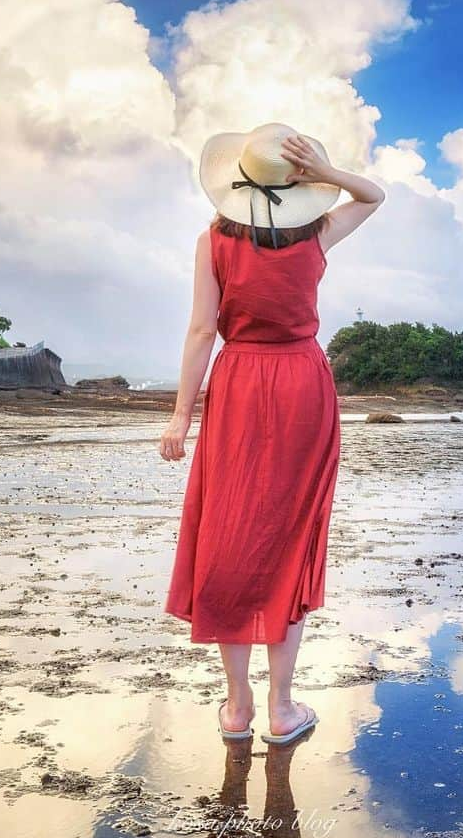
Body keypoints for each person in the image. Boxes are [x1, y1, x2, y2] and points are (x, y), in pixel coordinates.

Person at [159, 120, 385, 744]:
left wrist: (181, 413)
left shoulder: (213, 241)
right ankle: (282, 708)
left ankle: (238, 708)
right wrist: (327, 175)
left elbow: (203, 331)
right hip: (303, 386)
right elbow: (372, 196)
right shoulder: (319, 233)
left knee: (227, 534)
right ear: (300, 185)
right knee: (289, 540)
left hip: (236, 384)